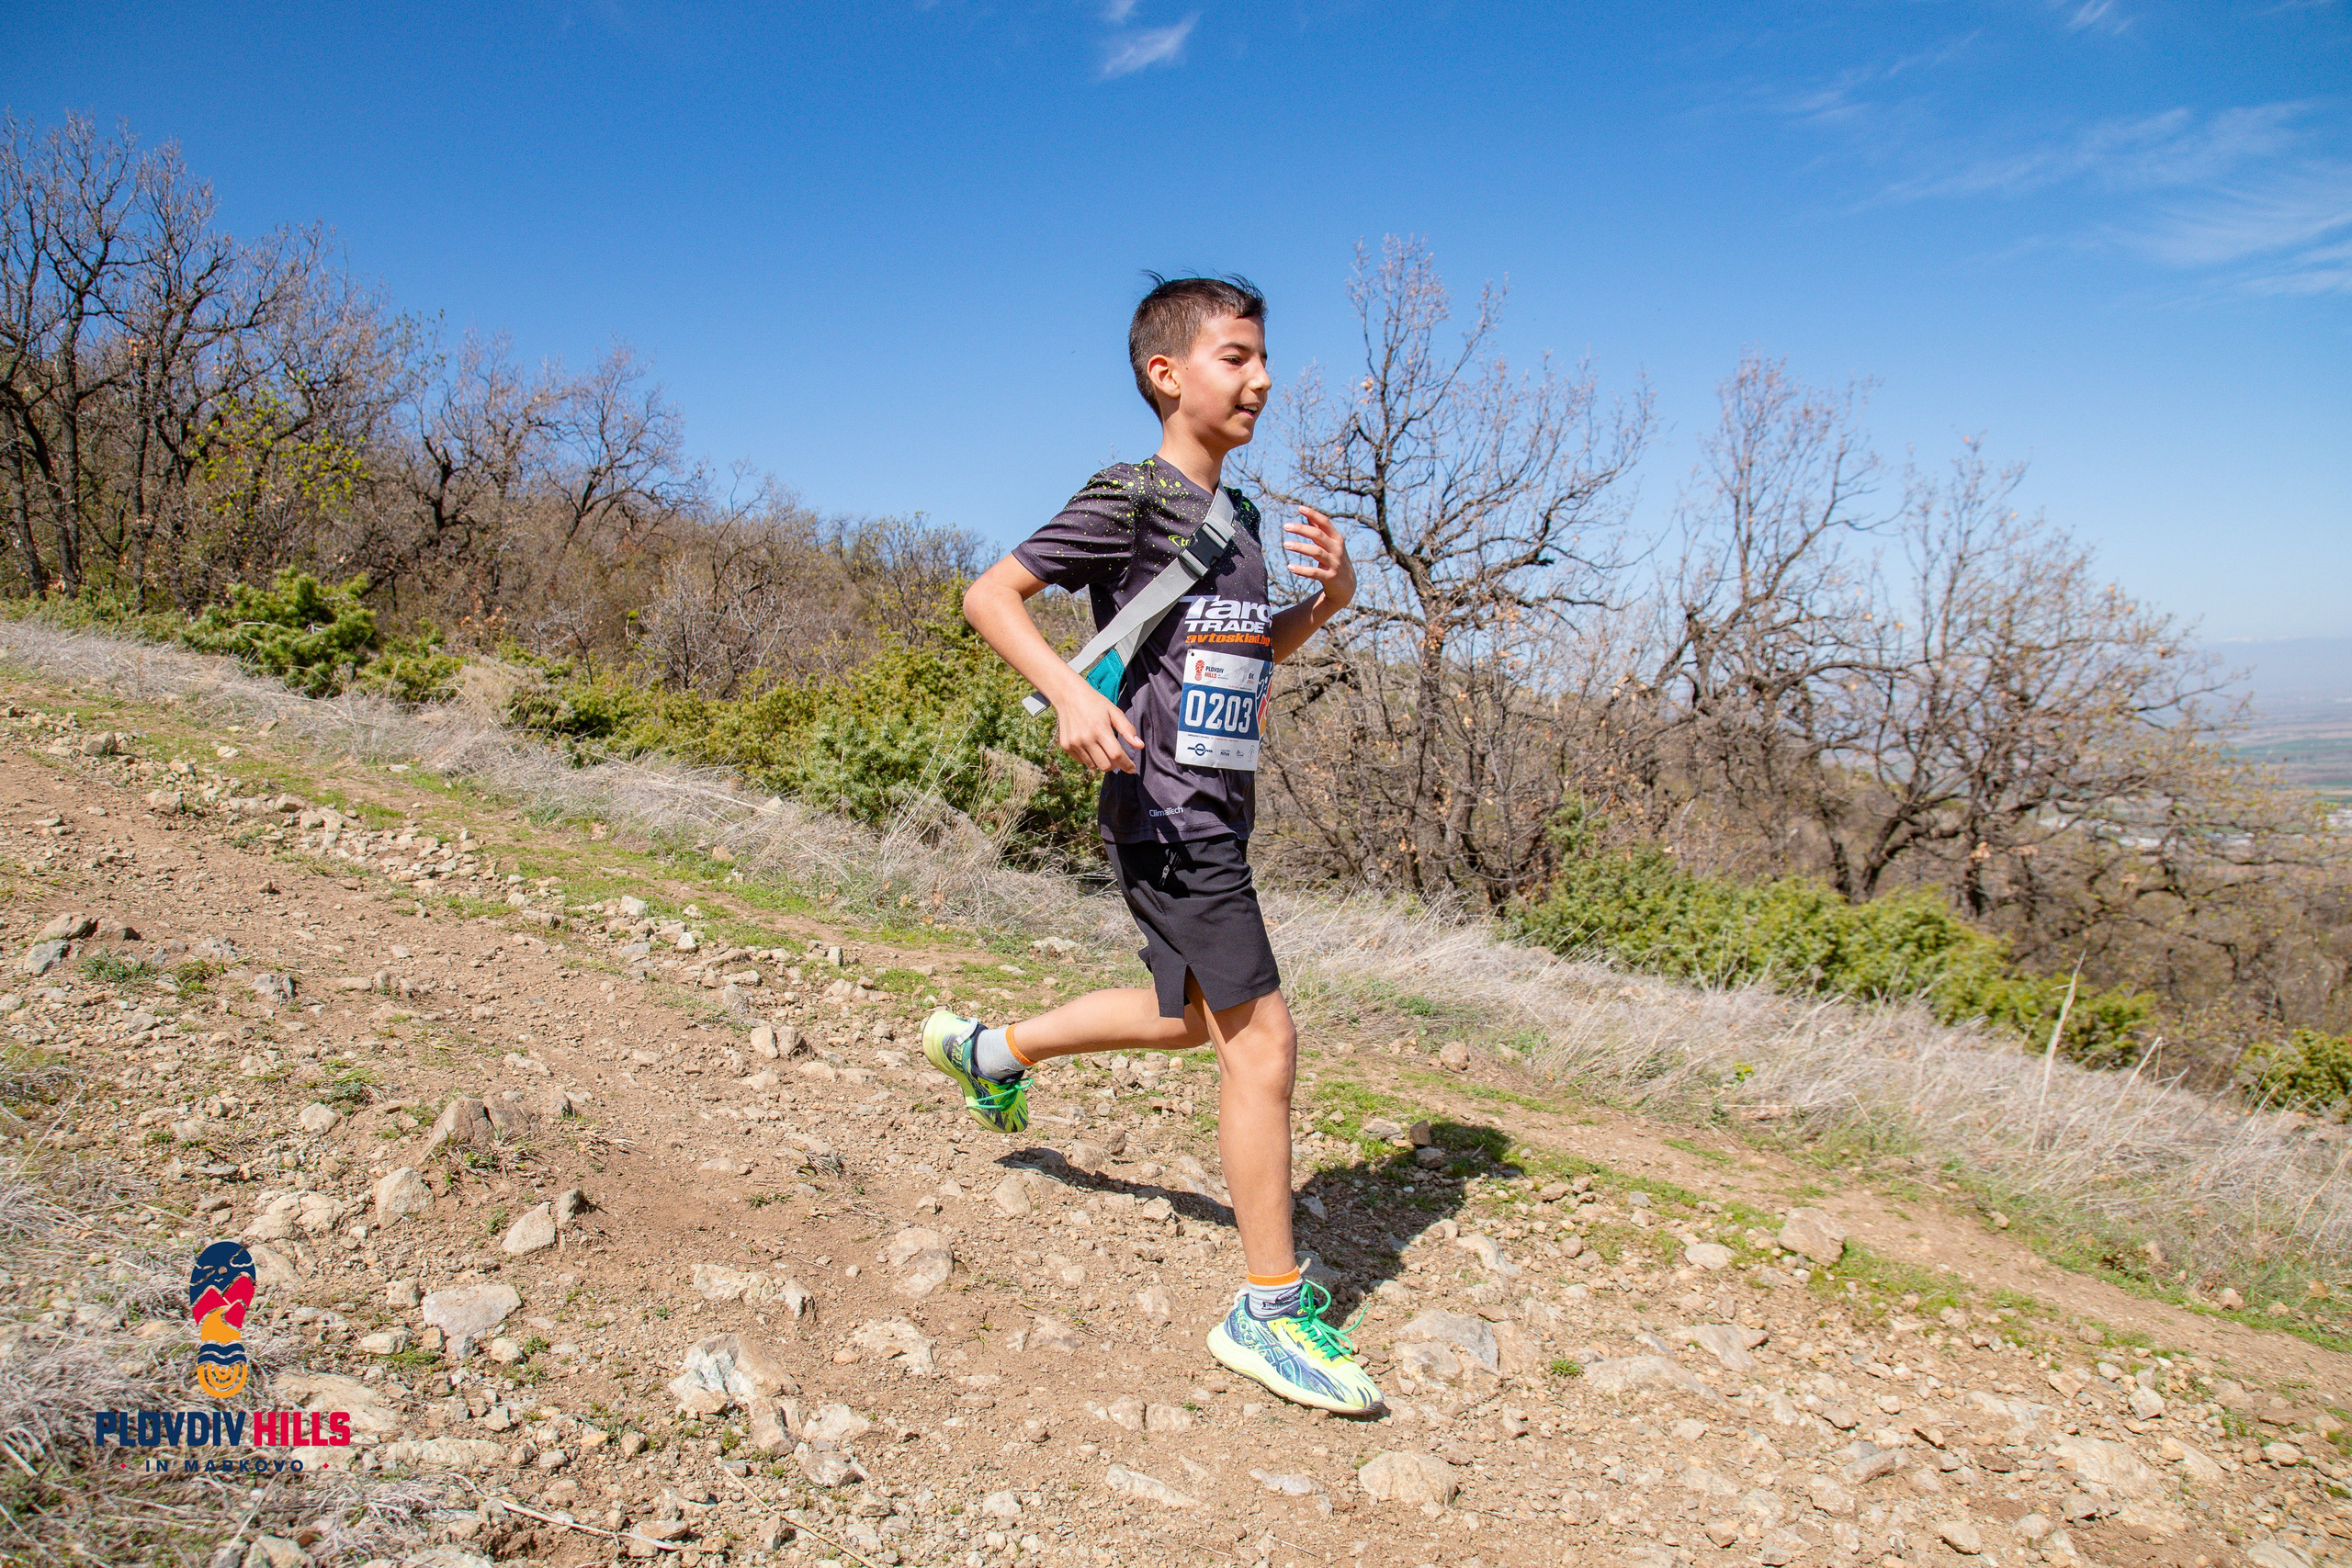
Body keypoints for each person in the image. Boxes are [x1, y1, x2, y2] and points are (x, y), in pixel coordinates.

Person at [923, 275, 1379, 1414]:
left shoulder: (1248, 522)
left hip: (1215, 802)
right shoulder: (1131, 496)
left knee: (1191, 1020)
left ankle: (993, 1052)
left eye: (1263, 357)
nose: (1261, 377)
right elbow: (993, 595)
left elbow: (1235, 651)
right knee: (1261, 1039)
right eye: (1236, 356)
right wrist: (1069, 698)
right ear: (1167, 374)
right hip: (1164, 805)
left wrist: (1322, 606)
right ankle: (1267, 1310)